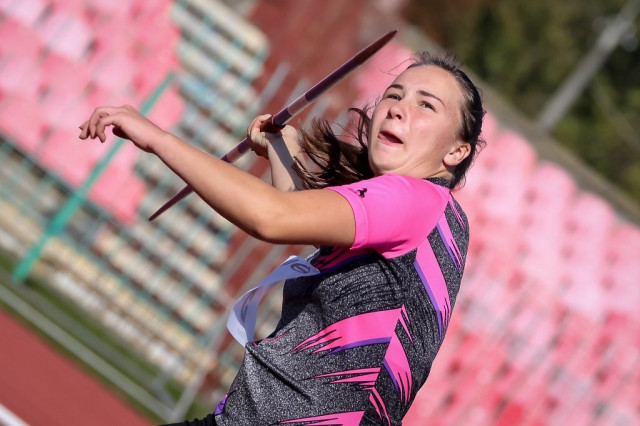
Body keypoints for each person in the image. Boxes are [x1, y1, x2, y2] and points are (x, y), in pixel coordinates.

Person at [79, 51, 485, 426]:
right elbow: (299, 216)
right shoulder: (436, 215)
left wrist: (158, 139)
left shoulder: (412, 199)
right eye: (394, 94)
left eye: (426, 105)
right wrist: (281, 148)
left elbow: (272, 217)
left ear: (456, 152)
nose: (398, 107)